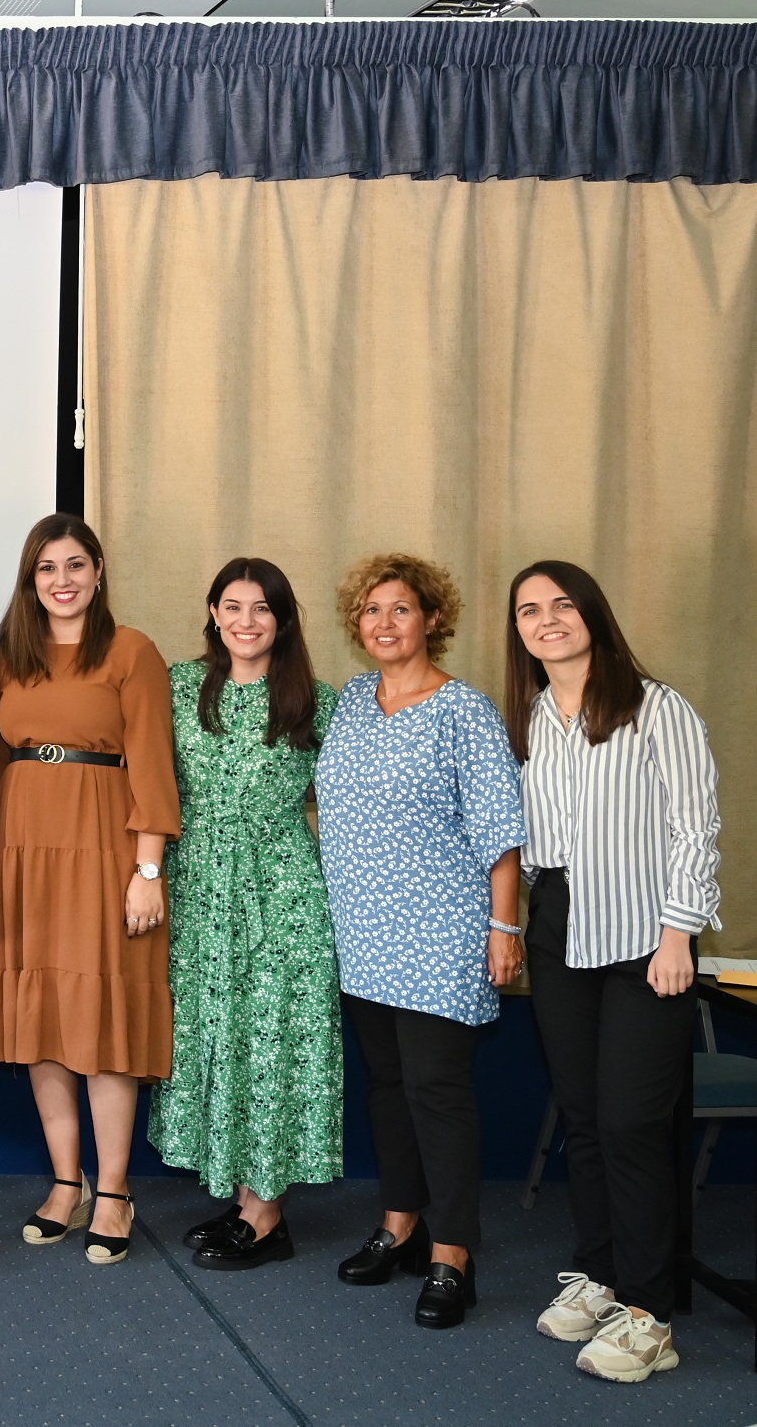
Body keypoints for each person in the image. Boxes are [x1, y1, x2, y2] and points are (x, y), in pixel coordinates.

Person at [506, 561, 719, 1382]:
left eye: (562, 604)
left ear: (593, 613)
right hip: (559, 927)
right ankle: (602, 1273)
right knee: (587, 1117)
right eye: (529, 609)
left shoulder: (658, 708)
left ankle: (649, 1316)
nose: (547, 619)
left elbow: (696, 831)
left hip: (645, 940)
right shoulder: (532, 715)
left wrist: (679, 935)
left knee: (633, 1124)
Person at [315, 553, 525, 1329]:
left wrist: (506, 927)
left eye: (400, 609)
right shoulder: (350, 705)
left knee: (437, 1091)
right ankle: (399, 1224)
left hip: (443, 931)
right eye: (371, 611)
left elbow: (502, 831)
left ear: (431, 618)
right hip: (364, 931)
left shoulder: (463, 710)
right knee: (387, 1086)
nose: (384, 623)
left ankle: (453, 1254)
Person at [0, 514, 179, 1266]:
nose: (62, 580)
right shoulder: (7, 660)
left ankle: (115, 1190)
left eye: (75, 565)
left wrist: (147, 870)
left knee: (103, 1020)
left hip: (102, 849)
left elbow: (154, 765)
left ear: (97, 573)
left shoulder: (133, 652)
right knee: (41, 1022)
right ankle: (67, 1182)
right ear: (31, 581)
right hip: (22, 851)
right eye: (47, 568)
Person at [147, 559, 343, 1271]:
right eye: (233, 606)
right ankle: (243, 1195)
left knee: (274, 1040)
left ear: (283, 619)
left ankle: (266, 1213)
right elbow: (145, 780)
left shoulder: (317, 701)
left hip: (284, 893)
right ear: (213, 611)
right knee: (215, 1035)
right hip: (199, 888)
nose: (247, 620)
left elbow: (356, 803)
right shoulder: (178, 687)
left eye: (262, 608)